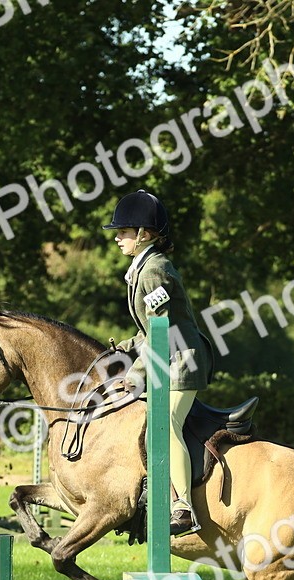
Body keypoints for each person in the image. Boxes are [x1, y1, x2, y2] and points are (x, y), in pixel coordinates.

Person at [104, 189, 214, 535]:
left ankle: (183, 507)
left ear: (145, 235)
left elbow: (161, 331)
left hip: (182, 361)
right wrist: (124, 349)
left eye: (124, 232)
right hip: (168, 356)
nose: (118, 238)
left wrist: (134, 374)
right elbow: (149, 330)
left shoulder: (154, 271)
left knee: (165, 425)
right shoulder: (144, 268)